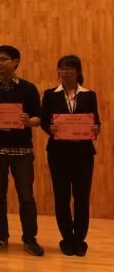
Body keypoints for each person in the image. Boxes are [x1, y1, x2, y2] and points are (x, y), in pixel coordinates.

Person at [0, 45, 44, 256]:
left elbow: (39, 117)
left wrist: (29, 121)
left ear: (15, 62)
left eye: (3, 59)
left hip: (22, 150)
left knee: (26, 196)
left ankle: (30, 239)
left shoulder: (28, 88)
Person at [41, 55, 100, 257]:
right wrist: (49, 128)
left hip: (83, 153)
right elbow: (44, 121)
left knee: (82, 197)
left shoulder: (89, 95)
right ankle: (67, 238)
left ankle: (79, 239)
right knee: (62, 196)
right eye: (61, 68)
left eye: (69, 68)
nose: (64, 72)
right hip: (58, 153)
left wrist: (95, 128)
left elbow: (96, 122)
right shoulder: (50, 95)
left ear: (78, 71)